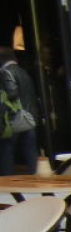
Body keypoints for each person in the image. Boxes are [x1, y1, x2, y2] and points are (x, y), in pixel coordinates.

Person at [0, 46, 39, 175]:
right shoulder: (24, 72)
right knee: (30, 153)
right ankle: (36, 181)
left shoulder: (5, 72)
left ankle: (9, 185)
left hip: (13, 119)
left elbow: (12, 93)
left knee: (7, 153)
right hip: (29, 119)